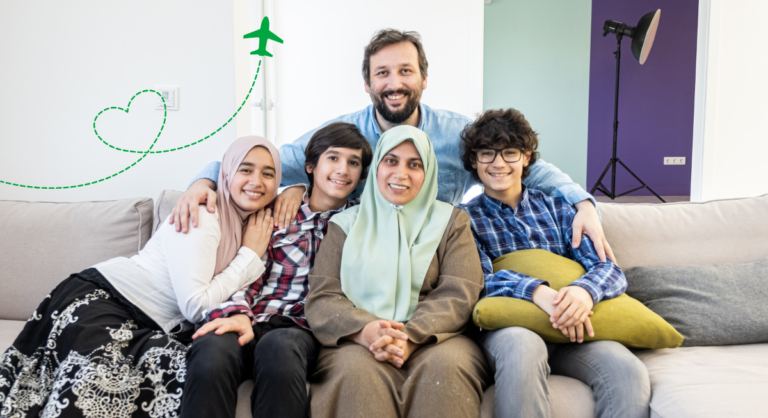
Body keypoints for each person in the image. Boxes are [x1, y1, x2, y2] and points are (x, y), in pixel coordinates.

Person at [171, 29, 615, 264]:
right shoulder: (343, 134)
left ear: (424, 78)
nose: (394, 83)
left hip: (434, 255)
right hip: (358, 256)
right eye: (382, 73)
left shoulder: (457, 133)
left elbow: (526, 166)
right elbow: (269, 160)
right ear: (367, 83)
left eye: (405, 71)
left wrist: (584, 204)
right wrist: (204, 181)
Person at [0, 136, 280, 418]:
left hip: (144, 321)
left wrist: (296, 190)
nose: (256, 181)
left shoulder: (252, 224)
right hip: (104, 300)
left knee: (178, 368)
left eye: (268, 173)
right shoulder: (203, 212)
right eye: (245, 170)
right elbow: (196, 305)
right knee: (103, 384)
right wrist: (249, 255)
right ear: (226, 173)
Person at [457, 109, 650, 418]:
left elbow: (608, 268)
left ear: (526, 157)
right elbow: (476, 280)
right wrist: (537, 291)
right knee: (523, 347)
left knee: (626, 369)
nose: (498, 163)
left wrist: (584, 292)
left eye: (510, 152)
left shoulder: (559, 209)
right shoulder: (463, 219)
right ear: (474, 160)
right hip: (509, 332)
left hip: (572, 332)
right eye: (487, 153)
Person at [178, 122, 373, 418]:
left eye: (354, 163)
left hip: (300, 328)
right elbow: (246, 268)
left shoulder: (362, 222)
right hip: (252, 315)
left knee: (279, 348)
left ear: (362, 176)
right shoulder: (274, 211)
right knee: (211, 350)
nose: (343, 170)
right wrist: (239, 313)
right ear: (310, 166)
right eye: (333, 158)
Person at [304, 126, 490, 418]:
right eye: (391, 161)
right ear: (376, 167)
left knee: (446, 368)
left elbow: (460, 291)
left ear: (428, 171)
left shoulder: (452, 221)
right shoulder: (344, 225)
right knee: (355, 373)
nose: (400, 173)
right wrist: (366, 331)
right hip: (357, 339)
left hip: (436, 338)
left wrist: (409, 337)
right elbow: (323, 296)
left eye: (414, 164)